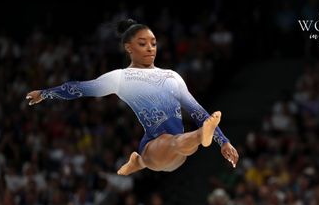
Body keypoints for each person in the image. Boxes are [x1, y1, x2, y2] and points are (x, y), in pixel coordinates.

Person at [25, 19, 239, 176]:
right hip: (154, 144)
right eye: (142, 43)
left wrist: (224, 142)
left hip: (177, 151)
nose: (150, 48)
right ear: (129, 48)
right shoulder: (121, 78)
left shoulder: (172, 77)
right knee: (173, 142)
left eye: (153, 43)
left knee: (180, 144)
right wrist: (45, 93)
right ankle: (199, 135)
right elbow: (80, 88)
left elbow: (198, 111)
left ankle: (146, 159)